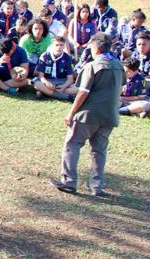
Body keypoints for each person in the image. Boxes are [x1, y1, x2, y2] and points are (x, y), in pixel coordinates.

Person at [50, 33, 123, 197]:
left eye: (91, 46)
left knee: (72, 144)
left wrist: (71, 113)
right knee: (99, 151)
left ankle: (68, 182)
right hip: (109, 115)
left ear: (96, 47)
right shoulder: (118, 65)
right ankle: (96, 186)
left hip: (89, 115)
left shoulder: (92, 66)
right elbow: (120, 89)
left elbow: (82, 93)